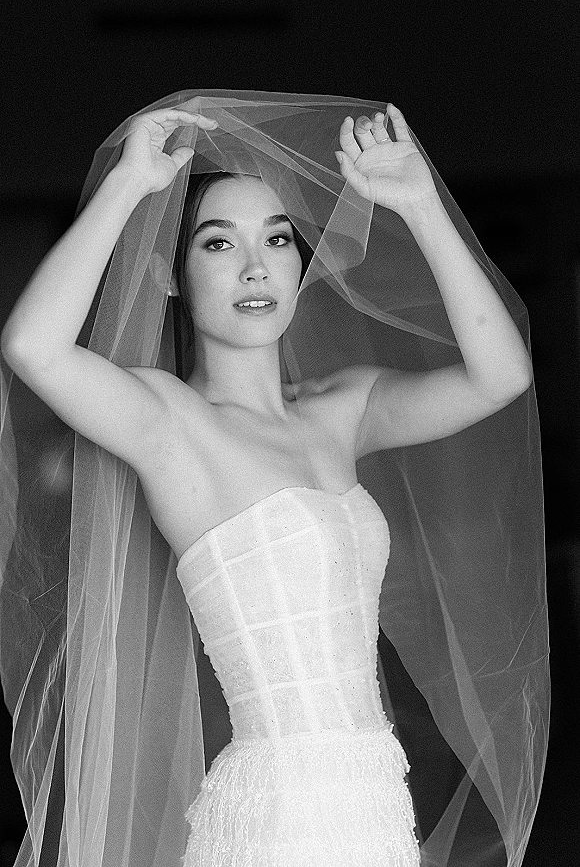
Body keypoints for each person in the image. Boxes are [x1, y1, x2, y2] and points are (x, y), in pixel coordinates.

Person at [0, 92, 549, 867]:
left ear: (301, 260)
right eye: (218, 244)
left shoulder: (342, 408)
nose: (256, 267)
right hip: (277, 814)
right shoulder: (170, 424)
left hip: (376, 796)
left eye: (278, 239)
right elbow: (34, 348)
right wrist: (128, 186)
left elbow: (501, 376)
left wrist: (421, 202)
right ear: (171, 271)